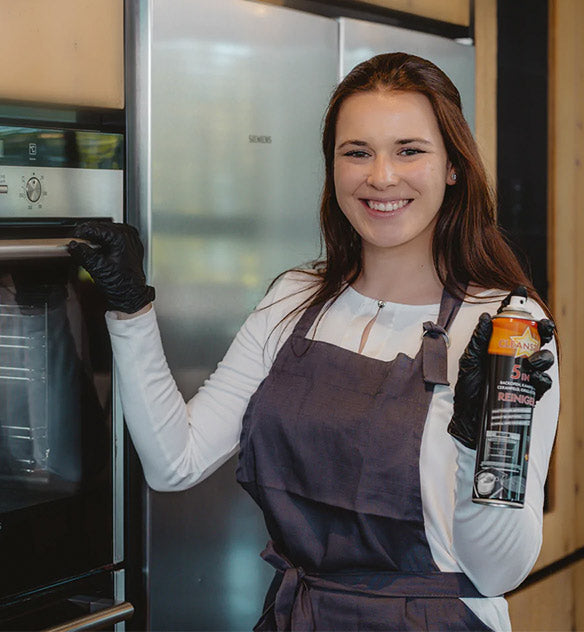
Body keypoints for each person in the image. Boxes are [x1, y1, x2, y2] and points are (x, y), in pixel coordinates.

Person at [68, 52, 559, 631]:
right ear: (333, 167)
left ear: (453, 165)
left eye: (409, 150)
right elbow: (176, 462)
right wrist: (131, 311)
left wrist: (480, 447)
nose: (381, 176)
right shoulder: (294, 298)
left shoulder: (504, 325)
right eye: (357, 152)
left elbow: (498, 572)